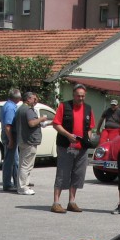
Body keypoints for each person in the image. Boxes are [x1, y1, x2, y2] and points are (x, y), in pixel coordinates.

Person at [51, 84, 95, 213]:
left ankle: (72, 201)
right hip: (65, 146)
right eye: (78, 96)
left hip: (81, 149)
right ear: (73, 95)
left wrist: (87, 138)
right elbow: (56, 124)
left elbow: (90, 127)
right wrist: (68, 135)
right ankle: (56, 202)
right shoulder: (64, 106)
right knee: (62, 174)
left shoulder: (88, 109)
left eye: (82, 96)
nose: (80, 98)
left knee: (77, 175)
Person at [15, 91, 48, 195]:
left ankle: (24, 184)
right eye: (34, 98)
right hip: (29, 141)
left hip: (23, 140)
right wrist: (42, 118)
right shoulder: (28, 109)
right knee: (26, 165)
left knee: (23, 164)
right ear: (28, 99)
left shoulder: (20, 109)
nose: (36, 100)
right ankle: (23, 187)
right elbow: (32, 123)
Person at [1, 88, 22, 192]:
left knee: (14, 161)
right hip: (10, 137)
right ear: (17, 97)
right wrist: (11, 140)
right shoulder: (10, 107)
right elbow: (8, 126)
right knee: (10, 161)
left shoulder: (8, 105)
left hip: (10, 137)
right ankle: (8, 184)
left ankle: (15, 182)